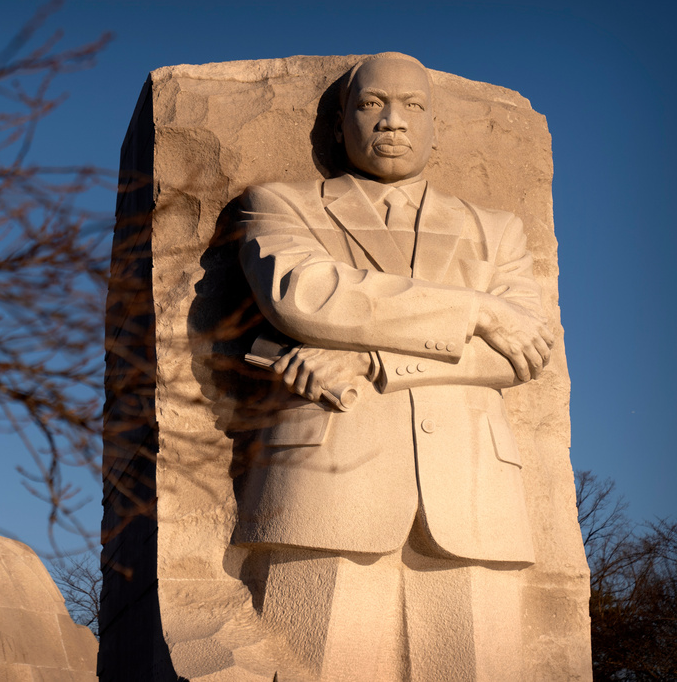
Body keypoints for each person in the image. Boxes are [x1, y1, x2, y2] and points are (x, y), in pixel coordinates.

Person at [234, 52, 554, 680]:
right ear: (339, 124)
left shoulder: (497, 230)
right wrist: (479, 309)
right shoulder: (280, 204)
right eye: (372, 103)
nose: (393, 121)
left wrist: (376, 360)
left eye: (413, 106)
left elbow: (521, 353)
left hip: (473, 491)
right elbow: (308, 293)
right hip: (327, 479)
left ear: (437, 127)